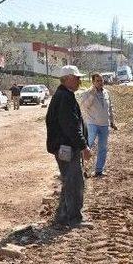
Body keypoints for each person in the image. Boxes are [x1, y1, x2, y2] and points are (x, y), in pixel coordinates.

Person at [46, 65, 93, 229]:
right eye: (77, 77)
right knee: (74, 182)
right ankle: (72, 219)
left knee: (70, 181)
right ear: (67, 79)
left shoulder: (64, 95)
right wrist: (83, 146)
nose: (80, 80)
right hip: (66, 148)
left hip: (64, 147)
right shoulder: (64, 97)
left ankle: (63, 217)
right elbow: (71, 126)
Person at [79, 73, 118, 177]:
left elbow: (110, 108)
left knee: (103, 148)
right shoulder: (88, 93)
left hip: (104, 124)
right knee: (88, 145)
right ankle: (81, 168)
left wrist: (112, 121)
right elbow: (85, 106)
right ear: (93, 82)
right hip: (92, 124)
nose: (100, 83)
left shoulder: (106, 93)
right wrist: (92, 93)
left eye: (101, 80)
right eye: (98, 81)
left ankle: (99, 170)